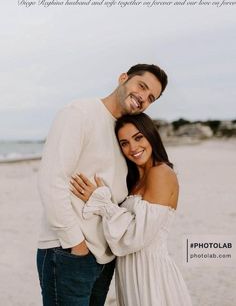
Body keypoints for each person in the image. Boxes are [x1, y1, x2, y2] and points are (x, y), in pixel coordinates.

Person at [37, 64, 168, 305]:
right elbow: (51, 179)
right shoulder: (80, 112)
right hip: (70, 251)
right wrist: (76, 244)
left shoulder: (124, 133)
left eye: (151, 98)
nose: (143, 98)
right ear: (123, 78)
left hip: (105, 257)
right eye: (142, 86)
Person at [70, 113, 192, 306]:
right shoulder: (134, 180)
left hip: (151, 274)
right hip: (130, 272)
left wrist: (102, 203)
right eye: (124, 143)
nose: (133, 148)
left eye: (138, 138)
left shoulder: (161, 173)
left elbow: (136, 236)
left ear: (151, 135)